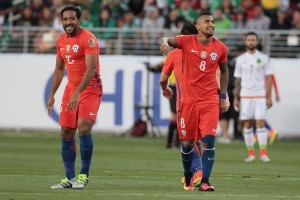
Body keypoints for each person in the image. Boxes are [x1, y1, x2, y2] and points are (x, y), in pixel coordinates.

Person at [159, 11, 229, 191]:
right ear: (197, 27)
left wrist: (223, 95)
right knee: (188, 143)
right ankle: (188, 175)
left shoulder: (220, 48)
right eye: (207, 22)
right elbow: (166, 39)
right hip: (187, 102)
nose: (211, 24)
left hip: (209, 101)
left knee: (208, 141)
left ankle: (204, 180)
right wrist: (165, 42)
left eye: (213, 22)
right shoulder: (185, 44)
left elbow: (223, 71)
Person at [46, 5, 103, 189]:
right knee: (66, 132)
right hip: (71, 89)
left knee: (84, 126)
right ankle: (69, 178)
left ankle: (84, 175)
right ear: (62, 21)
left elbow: (91, 69)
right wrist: (52, 94)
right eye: (65, 19)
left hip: (90, 87)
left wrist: (78, 91)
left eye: (72, 19)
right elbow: (59, 69)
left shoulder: (89, 39)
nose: (68, 22)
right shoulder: (61, 41)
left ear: (79, 20)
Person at [159, 21, 203, 187]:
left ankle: (197, 172)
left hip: (185, 102)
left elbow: (163, 78)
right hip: (205, 101)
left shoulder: (175, 54)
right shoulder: (205, 52)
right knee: (199, 139)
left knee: (187, 140)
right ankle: (195, 176)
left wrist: (164, 89)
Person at [234, 31, 273, 163]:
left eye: (253, 39)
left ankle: (263, 153)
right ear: (246, 42)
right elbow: (237, 80)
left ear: (257, 41)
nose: (251, 42)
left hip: (260, 95)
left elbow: (268, 78)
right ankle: (251, 154)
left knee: (260, 123)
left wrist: (269, 96)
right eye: (249, 39)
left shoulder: (264, 58)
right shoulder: (240, 60)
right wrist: (235, 97)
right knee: (248, 124)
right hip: (245, 96)